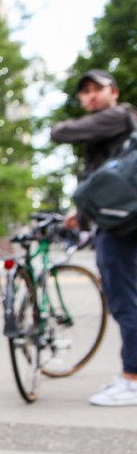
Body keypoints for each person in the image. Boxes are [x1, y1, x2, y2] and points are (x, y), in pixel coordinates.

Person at [50, 69, 137, 407]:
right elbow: (104, 182)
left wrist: (58, 127)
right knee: (126, 298)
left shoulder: (118, 116)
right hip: (120, 219)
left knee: (125, 300)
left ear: (113, 92)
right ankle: (129, 373)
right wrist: (81, 215)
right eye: (84, 91)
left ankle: (132, 378)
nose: (90, 96)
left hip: (120, 226)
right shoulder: (114, 134)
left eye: (96, 89)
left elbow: (62, 132)